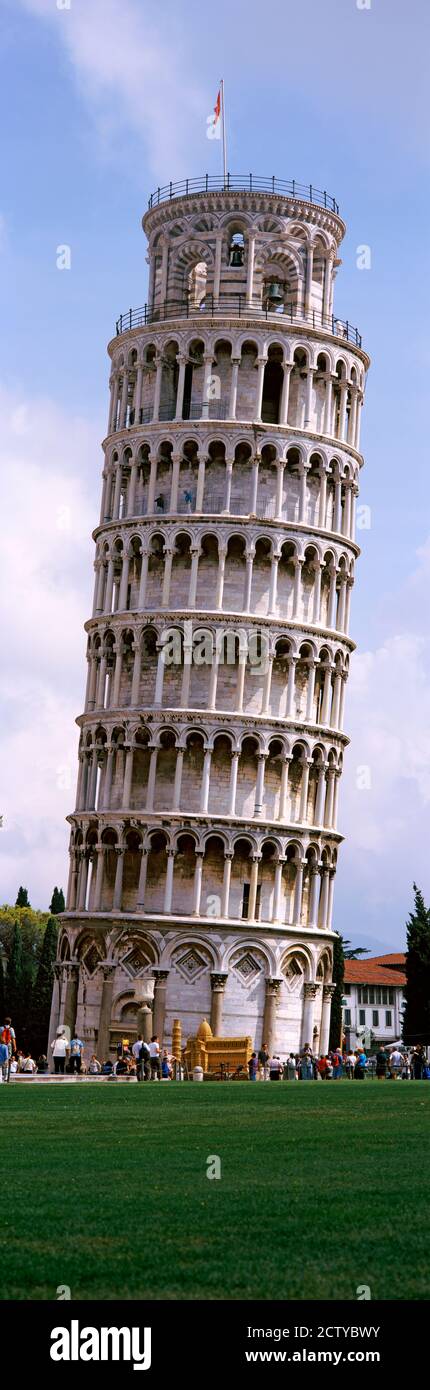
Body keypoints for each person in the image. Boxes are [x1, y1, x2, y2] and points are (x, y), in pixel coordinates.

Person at [0, 1017, 16, 1083]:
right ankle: (5, 1077)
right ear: (10, 1023)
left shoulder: (0, 1028)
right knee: (7, 1060)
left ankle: (0, 1075)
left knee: (0, 1059)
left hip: (2, 1045)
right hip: (8, 1045)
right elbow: (13, 1038)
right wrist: (15, 1046)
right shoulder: (11, 1029)